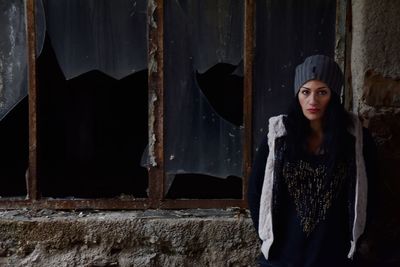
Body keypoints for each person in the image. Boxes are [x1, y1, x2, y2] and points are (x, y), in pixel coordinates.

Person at [248, 55, 376, 267]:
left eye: (322, 92)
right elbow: (256, 191)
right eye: (305, 92)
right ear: (297, 94)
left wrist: (356, 240)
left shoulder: (355, 140)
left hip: (335, 257)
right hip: (284, 257)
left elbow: (370, 195)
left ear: (333, 96)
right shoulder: (279, 137)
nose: (312, 101)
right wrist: (269, 239)